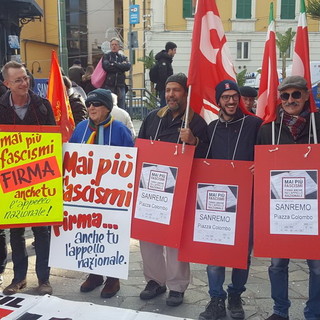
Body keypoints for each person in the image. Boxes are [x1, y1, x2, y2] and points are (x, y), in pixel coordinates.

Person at [138, 73, 208, 307]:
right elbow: (140, 150)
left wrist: (194, 141)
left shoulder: (196, 122)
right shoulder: (152, 118)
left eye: (176, 90)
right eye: (168, 90)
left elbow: (209, 157)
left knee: (175, 239)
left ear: (185, 94)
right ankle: (155, 281)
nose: (171, 95)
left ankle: (177, 286)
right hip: (151, 189)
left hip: (181, 190)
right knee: (148, 236)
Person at [257, 75, 320, 320]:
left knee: (316, 267)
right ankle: (280, 311)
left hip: (313, 212)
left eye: (295, 94)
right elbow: (259, 166)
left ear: (306, 95)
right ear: (279, 99)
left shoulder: (318, 124)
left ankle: (314, 312)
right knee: (277, 265)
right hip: (279, 212)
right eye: (285, 95)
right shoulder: (268, 130)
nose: (290, 100)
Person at [199, 80, 262, 320]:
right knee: (214, 254)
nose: (232, 101)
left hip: (247, 199)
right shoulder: (211, 127)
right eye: (226, 97)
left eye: (234, 96)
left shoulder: (255, 124)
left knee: (241, 254)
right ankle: (216, 299)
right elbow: (203, 160)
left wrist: (262, 164)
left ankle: (235, 295)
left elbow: (268, 151)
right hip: (218, 202)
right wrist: (192, 142)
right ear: (218, 101)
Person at [69, 88, 134, 298]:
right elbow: (70, 157)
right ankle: (95, 274)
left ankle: (112, 279)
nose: (91, 108)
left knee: (111, 232)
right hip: (86, 193)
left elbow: (131, 161)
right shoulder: (80, 128)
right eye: (89, 104)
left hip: (113, 194)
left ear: (107, 108)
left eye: (96, 104)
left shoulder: (120, 130)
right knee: (90, 232)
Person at [0, 61, 55, 295]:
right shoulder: (0, 107)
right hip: (10, 178)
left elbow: (54, 140)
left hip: (41, 178)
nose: (25, 83)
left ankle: (44, 279)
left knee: (43, 230)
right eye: (19, 80)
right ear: (7, 84)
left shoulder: (43, 106)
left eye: (26, 77)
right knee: (16, 230)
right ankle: (19, 278)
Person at [102, 37, 131, 109]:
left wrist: (114, 64)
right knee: (109, 106)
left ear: (119, 46)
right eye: (112, 45)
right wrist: (120, 66)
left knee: (122, 106)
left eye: (115, 44)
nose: (114, 46)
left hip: (120, 85)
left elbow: (127, 66)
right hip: (109, 85)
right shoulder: (107, 56)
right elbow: (106, 67)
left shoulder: (123, 57)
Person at [154, 41, 177, 108]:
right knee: (164, 106)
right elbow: (163, 75)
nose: (175, 52)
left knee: (165, 105)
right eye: (174, 50)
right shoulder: (163, 61)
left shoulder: (166, 60)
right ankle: (163, 118)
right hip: (164, 87)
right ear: (170, 50)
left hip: (165, 87)